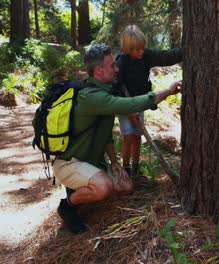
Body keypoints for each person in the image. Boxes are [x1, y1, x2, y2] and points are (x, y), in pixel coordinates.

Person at [54, 44, 182, 234]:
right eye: (112, 65)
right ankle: (67, 205)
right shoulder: (92, 97)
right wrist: (167, 91)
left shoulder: (104, 91)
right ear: (99, 70)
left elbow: (105, 134)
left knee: (126, 186)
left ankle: (82, 187)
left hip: (92, 162)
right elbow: (132, 103)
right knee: (103, 187)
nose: (117, 69)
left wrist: (114, 162)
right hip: (69, 163)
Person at [115, 25, 182, 177]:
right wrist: (129, 109)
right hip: (124, 103)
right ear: (127, 48)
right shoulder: (121, 62)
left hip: (140, 102)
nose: (141, 52)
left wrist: (184, 51)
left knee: (138, 134)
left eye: (142, 48)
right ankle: (125, 169)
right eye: (136, 49)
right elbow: (117, 86)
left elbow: (165, 56)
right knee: (128, 135)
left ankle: (136, 168)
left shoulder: (145, 55)